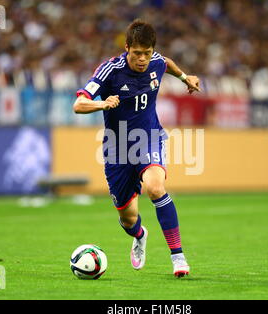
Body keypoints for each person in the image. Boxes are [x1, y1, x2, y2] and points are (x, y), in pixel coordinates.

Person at [73, 19, 201, 276]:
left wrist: (186, 78)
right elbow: (79, 105)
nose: (142, 59)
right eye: (137, 53)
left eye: (147, 53)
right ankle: (140, 235)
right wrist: (102, 104)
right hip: (118, 148)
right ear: (127, 47)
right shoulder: (110, 70)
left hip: (149, 137)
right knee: (128, 218)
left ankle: (178, 257)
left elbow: (167, 64)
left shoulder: (156, 62)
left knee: (155, 187)